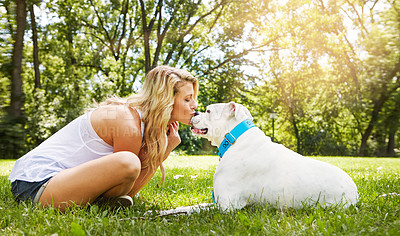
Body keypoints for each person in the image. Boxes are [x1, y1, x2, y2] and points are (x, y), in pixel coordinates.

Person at [8, 65, 198, 210]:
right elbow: (126, 192)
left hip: (49, 182)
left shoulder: (140, 121)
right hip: (35, 184)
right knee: (128, 162)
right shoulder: (128, 123)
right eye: (187, 99)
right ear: (166, 101)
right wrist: (164, 152)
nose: (194, 105)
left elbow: (121, 191)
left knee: (128, 163)